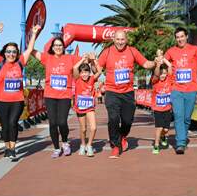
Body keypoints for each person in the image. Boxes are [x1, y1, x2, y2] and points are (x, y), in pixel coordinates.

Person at [97, 30, 156, 158]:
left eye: (122, 39)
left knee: (127, 121)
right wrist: (92, 63)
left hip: (128, 93)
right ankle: (115, 146)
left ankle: (122, 136)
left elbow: (146, 64)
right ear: (113, 39)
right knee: (113, 119)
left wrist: (156, 62)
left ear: (126, 40)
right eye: (118, 39)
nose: (120, 42)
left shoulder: (132, 51)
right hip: (112, 92)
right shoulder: (107, 52)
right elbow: (97, 68)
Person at [0, 23, 41, 159]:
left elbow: (30, 49)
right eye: (8, 51)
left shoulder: (20, 62)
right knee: (5, 126)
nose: (11, 54)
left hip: (17, 101)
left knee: (13, 123)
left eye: (14, 51)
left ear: (16, 53)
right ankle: (6, 148)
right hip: (1, 101)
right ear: (4, 53)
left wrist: (34, 33)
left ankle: (12, 148)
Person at [164, 27, 197, 154]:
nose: (179, 39)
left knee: (187, 118)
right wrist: (167, 63)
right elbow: (162, 60)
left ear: (186, 36)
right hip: (176, 90)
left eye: (182, 36)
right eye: (177, 37)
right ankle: (180, 143)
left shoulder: (194, 49)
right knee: (178, 116)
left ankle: (183, 135)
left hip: (191, 89)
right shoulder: (171, 51)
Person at [32, 37, 82, 158]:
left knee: (62, 122)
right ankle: (56, 148)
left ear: (63, 47)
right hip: (50, 96)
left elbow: (85, 60)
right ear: (52, 48)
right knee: (53, 123)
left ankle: (65, 143)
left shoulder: (70, 58)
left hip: (65, 96)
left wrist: (90, 57)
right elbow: (31, 51)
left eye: (60, 45)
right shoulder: (47, 58)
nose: (58, 47)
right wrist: (33, 34)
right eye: (56, 45)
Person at [73, 52, 101, 157]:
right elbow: (75, 68)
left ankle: (89, 145)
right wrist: (83, 59)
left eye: (86, 72)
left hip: (90, 108)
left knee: (93, 128)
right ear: (80, 74)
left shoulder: (92, 79)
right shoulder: (77, 80)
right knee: (83, 129)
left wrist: (94, 60)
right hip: (80, 108)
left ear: (89, 73)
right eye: (82, 72)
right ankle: (83, 145)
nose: (84, 74)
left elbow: (99, 71)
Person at [151, 49, 173, 154]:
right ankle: (156, 145)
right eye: (161, 74)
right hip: (158, 109)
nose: (163, 75)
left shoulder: (169, 80)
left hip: (167, 109)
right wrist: (158, 64)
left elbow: (169, 66)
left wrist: (162, 58)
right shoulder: (155, 81)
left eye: (164, 74)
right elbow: (156, 73)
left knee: (165, 130)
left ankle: (163, 137)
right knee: (159, 128)